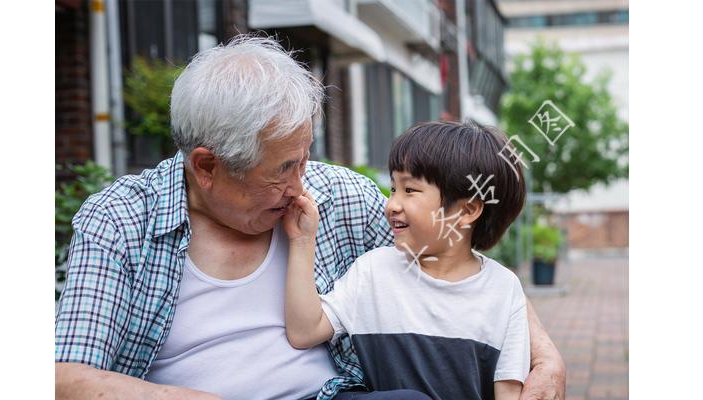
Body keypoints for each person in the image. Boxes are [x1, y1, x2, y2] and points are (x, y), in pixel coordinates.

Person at [55, 35, 566, 400]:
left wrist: (540, 354)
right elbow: (66, 375)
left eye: (304, 157)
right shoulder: (121, 219)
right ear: (207, 167)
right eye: (282, 168)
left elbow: (451, 255)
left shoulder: (337, 193)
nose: (303, 184)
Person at [283, 121, 531, 399]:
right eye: (392, 189)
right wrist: (302, 241)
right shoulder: (373, 272)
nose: (391, 205)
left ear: (467, 210)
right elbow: (304, 331)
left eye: (409, 190)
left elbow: (509, 392)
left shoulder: (504, 289)